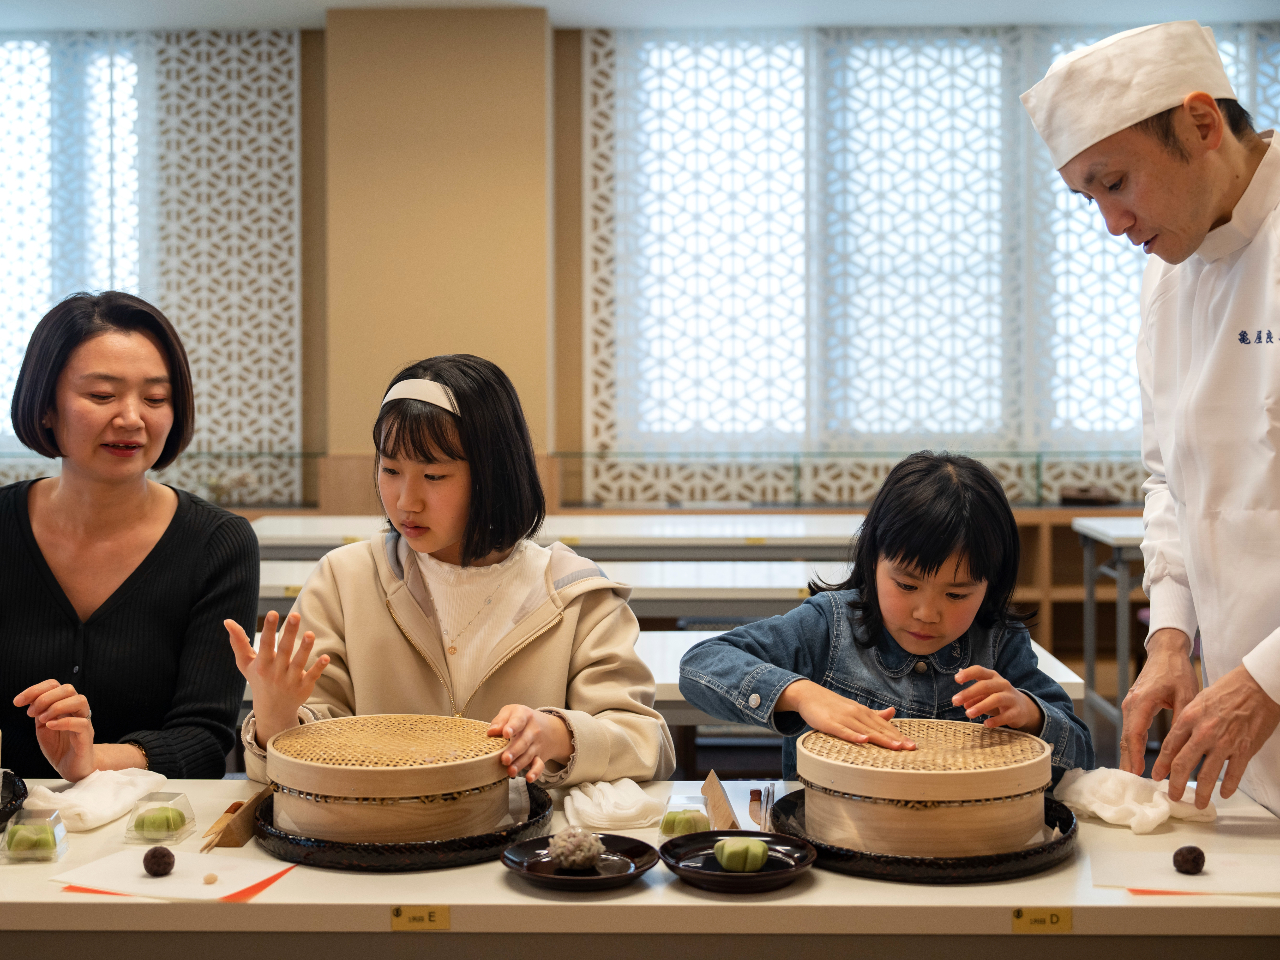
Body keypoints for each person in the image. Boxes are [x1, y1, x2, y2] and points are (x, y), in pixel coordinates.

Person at [1022, 20, 1280, 813]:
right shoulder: (1168, 271)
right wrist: (1170, 634)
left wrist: (1268, 679)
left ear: (1202, 124)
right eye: (1088, 197)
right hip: (1242, 724)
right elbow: (1167, 474)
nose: (1113, 224)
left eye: (1117, 181)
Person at [228, 354, 674, 786]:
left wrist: (558, 734)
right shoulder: (345, 581)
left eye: (434, 476)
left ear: (494, 474)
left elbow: (645, 744)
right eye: (389, 469)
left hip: (524, 852)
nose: (406, 501)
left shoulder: (573, 592)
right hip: (382, 846)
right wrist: (276, 717)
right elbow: (297, 758)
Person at [678, 452, 1093, 785]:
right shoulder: (830, 626)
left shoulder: (999, 643)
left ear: (992, 584)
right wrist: (803, 695)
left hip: (963, 847)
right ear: (872, 559)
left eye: (957, 594)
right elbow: (701, 665)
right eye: (906, 585)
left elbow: (1084, 754)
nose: (927, 613)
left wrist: (1032, 715)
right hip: (833, 846)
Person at [1, 292, 257, 781]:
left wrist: (90, 760)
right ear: (45, 407)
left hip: (152, 831)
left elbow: (205, 738)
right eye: (101, 396)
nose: (132, 418)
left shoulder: (218, 544)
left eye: (156, 399)